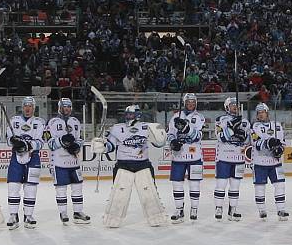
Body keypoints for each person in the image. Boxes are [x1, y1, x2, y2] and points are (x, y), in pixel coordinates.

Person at [92, 105, 169, 228]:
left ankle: (156, 216)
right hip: (123, 165)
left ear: (138, 115)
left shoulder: (147, 127)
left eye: (131, 114)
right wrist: (103, 147)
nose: (128, 117)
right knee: (118, 194)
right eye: (127, 114)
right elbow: (111, 145)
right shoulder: (117, 128)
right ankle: (112, 218)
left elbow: (159, 143)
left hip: (142, 165)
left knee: (149, 192)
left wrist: (160, 137)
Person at [46, 97, 90, 224]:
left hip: (74, 162)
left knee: (77, 187)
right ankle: (63, 213)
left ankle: (77, 212)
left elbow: (80, 138)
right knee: (61, 188)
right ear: (59, 107)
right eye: (65, 106)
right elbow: (49, 143)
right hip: (58, 162)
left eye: (69, 106)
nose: (67, 109)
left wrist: (77, 146)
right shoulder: (52, 122)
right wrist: (62, 141)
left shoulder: (75, 121)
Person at [6, 96, 46, 229]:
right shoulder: (13, 121)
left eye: (30, 106)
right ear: (22, 107)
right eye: (25, 106)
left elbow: (41, 142)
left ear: (34, 108)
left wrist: (28, 145)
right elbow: (8, 140)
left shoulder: (40, 122)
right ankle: (13, 215)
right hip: (16, 157)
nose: (28, 108)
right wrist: (14, 142)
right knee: (13, 187)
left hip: (33, 157)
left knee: (30, 188)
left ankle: (28, 216)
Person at [166, 92, 206, 222]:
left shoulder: (199, 117)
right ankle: (179, 209)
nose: (191, 104)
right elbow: (170, 133)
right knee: (177, 184)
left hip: (195, 156)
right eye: (188, 102)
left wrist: (186, 128)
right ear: (184, 103)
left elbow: (198, 136)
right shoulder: (175, 117)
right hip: (178, 156)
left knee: (194, 184)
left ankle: (194, 209)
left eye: (193, 102)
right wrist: (173, 142)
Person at [214, 96, 250, 221]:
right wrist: (232, 128)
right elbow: (220, 137)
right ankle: (218, 208)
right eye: (232, 105)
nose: (235, 107)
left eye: (236, 105)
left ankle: (233, 210)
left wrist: (242, 134)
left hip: (239, 158)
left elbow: (248, 140)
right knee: (221, 184)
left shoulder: (244, 121)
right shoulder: (220, 120)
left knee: (235, 186)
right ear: (227, 107)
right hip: (224, 157)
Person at [251, 103, 288, 220]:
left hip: (275, 163)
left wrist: (280, 149)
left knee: (280, 186)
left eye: (262, 112)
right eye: (258, 113)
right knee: (260, 187)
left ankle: (281, 210)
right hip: (260, 163)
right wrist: (269, 142)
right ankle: (262, 210)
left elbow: (282, 143)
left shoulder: (277, 126)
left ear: (267, 112)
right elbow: (256, 143)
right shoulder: (254, 127)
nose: (260, 115)